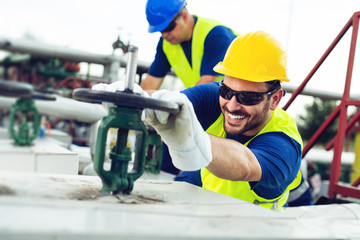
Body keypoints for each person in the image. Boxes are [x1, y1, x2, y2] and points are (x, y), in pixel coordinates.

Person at [144, 31, 308, 210]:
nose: (232, 105)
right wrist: (135, 100)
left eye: (248, 97)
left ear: (275, 99)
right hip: (204, 214)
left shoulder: (284, 145)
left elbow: (245, 164)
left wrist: (189, 136)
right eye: (227, 91)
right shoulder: (216, 97)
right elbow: (170, 102)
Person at [141, 0, 237, 90]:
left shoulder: (215, 35)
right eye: (160, 31)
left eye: (168, 28)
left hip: (241, 102)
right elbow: (150, 83)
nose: (164, 35)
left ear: (184, 17)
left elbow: (207, 82)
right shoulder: (165, 44)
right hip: (206, 102)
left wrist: (178, 99)